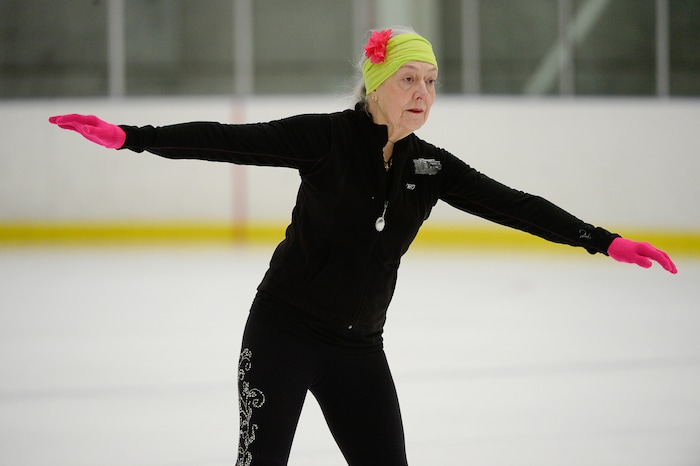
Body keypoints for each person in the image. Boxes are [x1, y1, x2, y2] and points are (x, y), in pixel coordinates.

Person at [49, 26, 676, 466]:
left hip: (358, 350)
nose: (423, 94)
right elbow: (228, 139)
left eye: (431, 81)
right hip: (283, 335)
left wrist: (605, 241)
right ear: (376, 82)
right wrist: (132, 136)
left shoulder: (430, 167)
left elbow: (512, 204)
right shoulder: (324, 139)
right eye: (408, 79)